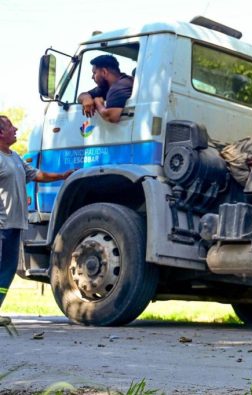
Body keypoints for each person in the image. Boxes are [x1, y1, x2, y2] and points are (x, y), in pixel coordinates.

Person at [0, 116, 74, 327]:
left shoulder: (14, 157)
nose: (16, 129)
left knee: (7, 269)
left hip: (16, 224)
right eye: (10, 127)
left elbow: (36, 174)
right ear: (0, 133)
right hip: (2, 224)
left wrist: (62, 176)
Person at [77, 54, 134, 124]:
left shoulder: (119, 87)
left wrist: (98, 104)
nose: (92, 77)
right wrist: (86, 99)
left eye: (94, 73)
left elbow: (112, 116)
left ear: (104, 72)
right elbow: (83, 95)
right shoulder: (106, 87)